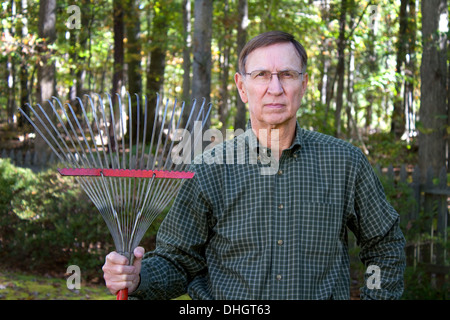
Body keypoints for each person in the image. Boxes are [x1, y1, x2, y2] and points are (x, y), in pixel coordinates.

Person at [102, 31, 406, 300]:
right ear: (242, 86)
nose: (275, 88)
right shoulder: (209, 169)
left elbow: (385, 243)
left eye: (287, 74)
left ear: (304, 83)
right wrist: (138, 277)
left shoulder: (345, 163)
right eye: (261, 75)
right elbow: (178, 261)